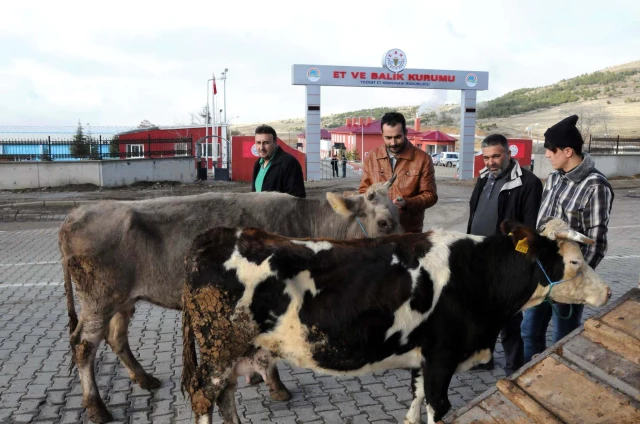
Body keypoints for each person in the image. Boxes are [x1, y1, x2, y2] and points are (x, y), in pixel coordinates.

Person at [521, 115, 614, 363]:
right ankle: (529, 383)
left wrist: (574, 278)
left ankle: (559, 388)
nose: (547, 156)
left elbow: (597, 240)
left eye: (550, 151)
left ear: (568, 151)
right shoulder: (553, 178)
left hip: (569, 279)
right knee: (529, 332)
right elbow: (542, 224)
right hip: (541, 275)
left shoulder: (596, 186)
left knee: (564, 340)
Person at [467, 134, 543, 375]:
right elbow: (475, 214)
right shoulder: (482, 178)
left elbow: (529, 228)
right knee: (482, 312)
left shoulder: (528, 183)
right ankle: (484, 358)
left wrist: (517, 261)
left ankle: (514, 366)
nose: (491, 162)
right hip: (480, 258)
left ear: (509, 154)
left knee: (509, 317)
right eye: (486, 157)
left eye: (496, 156)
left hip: (508, 262)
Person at [358, 111, 437, 233]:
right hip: (379, 232)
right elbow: (363, 191)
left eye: (397, 137)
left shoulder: (423, 159)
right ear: (382, 134)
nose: (393, 143)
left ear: (405, 133)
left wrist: (407, 203)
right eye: (388, 138)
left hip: (409, 232)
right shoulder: (372, 157)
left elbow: (430, 196)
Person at [252, 124, 306, 198]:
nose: (261, 147)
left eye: (266, 143)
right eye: (258, 143)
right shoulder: (257, 165)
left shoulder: (289, 163)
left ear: (275, 142)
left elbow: (297, 199)